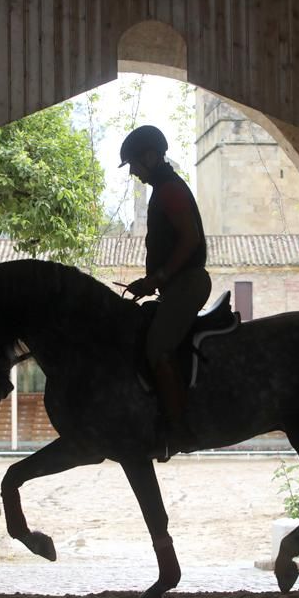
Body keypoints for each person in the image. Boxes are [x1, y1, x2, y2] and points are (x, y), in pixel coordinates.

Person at [120, 125, 211, 459]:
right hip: (176, 284)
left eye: (133, 163)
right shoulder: (164, 189)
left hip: (187, 283)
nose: (132, 171)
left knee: (157, 348)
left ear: (149, 157)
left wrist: (156, 278)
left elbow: (189, 241)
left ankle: (180, 430)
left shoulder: (169, 190)